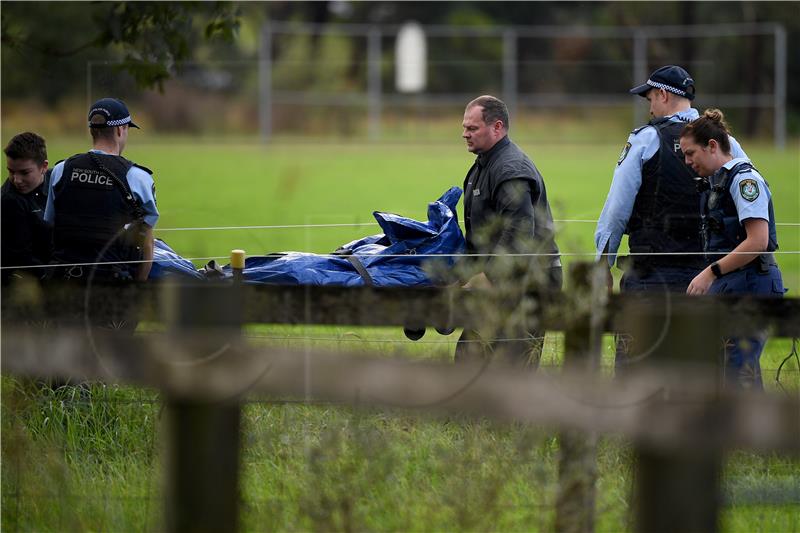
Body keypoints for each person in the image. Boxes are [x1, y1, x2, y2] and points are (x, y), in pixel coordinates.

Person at [595, 65, 748, 293]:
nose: (650, 110)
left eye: (650, 100)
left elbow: (617, 207)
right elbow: (752, 201)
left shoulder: (644, 140)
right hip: (710, 276)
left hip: (651, 275)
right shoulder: (725, 142)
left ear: (663, 95)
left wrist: (603, 264)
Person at [680, 109, 784, 389]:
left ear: (712, 146)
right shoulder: (719, 182)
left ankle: (748, 432)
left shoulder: (744, 181)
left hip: (753, 282)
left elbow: (757, 241)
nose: (687, 161)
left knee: (739, 372)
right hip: (734, 283)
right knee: (730, 369)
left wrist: (710, 273)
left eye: (691, 153)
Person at [455, 95, 562, 367]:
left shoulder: (510, 168)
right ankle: (470, 410)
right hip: (502, 277)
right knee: (470, 357)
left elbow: (519, 230)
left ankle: (515, 411)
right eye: (465, 127)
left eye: (472, 128)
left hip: (529, 281)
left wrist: (489, 275)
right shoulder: (485, 164)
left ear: (497, 127)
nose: (464, 134)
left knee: (513, 365)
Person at [44, 98, 158, 283]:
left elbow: (51, 223)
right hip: (111, 285)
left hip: (63, 280)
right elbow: (147, 242)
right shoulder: (138, 178)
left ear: (92, 130)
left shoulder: (61, 170)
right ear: (121, 130)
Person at [2, 132, 52, 284]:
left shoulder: (56, 181)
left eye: (24, 172)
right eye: (11, 171)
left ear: (44, 167)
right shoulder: (8, 201)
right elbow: (21, 256)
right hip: (26, 281)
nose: (16, 180)